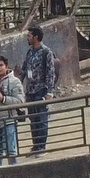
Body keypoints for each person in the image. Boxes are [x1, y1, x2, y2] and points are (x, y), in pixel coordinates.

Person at [20, 25, 57, 156]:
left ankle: (42, 146)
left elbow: (51, 73)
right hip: (30, 91)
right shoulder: (30, 52)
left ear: (36, 37)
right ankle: (36, 146)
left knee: (41, 119)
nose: (27, 38)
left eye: (29, 35)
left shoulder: (46, 52)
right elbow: (24, 69)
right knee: (33, 119)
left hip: (41, 90)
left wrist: (49, 92)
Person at [0, 55, 24, 167]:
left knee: (11, 151)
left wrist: (3, 99)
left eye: (1, 65)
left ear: (6, 67)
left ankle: (14, 172)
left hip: (8, 121)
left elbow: (20, 101)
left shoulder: (15, 81)